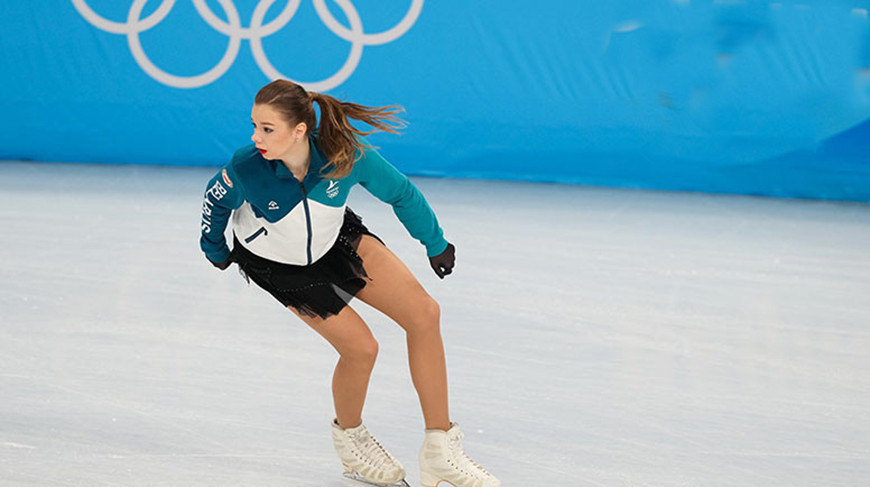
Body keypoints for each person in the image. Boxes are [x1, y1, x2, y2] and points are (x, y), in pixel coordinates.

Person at [199, 79, 500, 487]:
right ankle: (351, 440)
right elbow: (215, 201)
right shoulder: (247, 167)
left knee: (424, 314)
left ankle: (440, 449)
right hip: (279, 264)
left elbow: (401, 192)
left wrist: (435, 242)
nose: (256, 137)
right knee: (362, 349)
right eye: (254, 126)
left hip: (334, 237)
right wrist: (215, 250)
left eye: (267, 128)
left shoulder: (344, 156)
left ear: (300, 130)